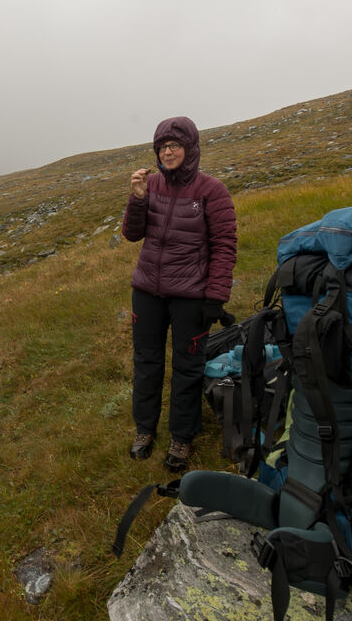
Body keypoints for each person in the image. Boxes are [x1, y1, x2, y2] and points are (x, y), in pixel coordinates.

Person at [121, 116, 237, 472]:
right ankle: (145, 430)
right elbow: (132, 234)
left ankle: (182, 437)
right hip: (147, 291)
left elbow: (224, 245)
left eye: (174, 146)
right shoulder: (151, 184)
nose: (167, 152)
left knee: (187, 367)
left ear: (190, 149)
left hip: (190, 295)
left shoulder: (211, 190)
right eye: (161, 147)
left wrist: (215, 297)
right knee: (147, 362)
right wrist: (138, 199)